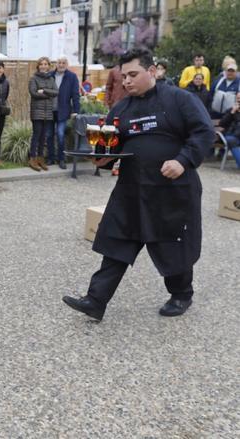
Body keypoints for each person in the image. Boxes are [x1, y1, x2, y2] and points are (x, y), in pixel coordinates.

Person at [62, 49, 215, 321]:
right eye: (123, 77)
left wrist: (183, 160)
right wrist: (101, 161)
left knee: (172, 244)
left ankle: (181, 294)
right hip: (131, 189)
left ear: (152, 71)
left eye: (133, 75)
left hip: (173, 189)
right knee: (117, 243)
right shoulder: (121, 108)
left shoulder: (180, 99)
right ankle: (96, 300)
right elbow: (111, 146)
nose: (127, 82)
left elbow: (204, 132)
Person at [47, 56, 80, 169]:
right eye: (59, 62)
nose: (61, 65)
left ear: (67, 64)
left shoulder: (72, 77)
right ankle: (51, 158)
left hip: (63, 111)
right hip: (49, 111)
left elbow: (75, 95)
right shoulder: (49, 75)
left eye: (63, 63)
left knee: (60, 135)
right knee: (49, 135)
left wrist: (76, 111)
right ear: (56, 64)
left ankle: (61, 159)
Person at [28, 56, 58, 172]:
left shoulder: (51, 79)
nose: (43, 66)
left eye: (45, 64)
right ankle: (32, 159)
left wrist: (44, 91)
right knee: (36, 135)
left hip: (48, 112)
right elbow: (34, 93)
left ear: (48, 66)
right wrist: (48, 95)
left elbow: (56, 92)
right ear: (38, 66)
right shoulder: (33, 79)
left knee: (43, 137)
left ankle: (40, 158)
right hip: (37, 111)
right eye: (41, 64)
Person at [218, 92, 240, 167]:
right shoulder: (230, 110)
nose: (239, 100)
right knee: (232, 140)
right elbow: (222, 123)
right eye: (238, 98)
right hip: (231, 135)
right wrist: (232, 112)